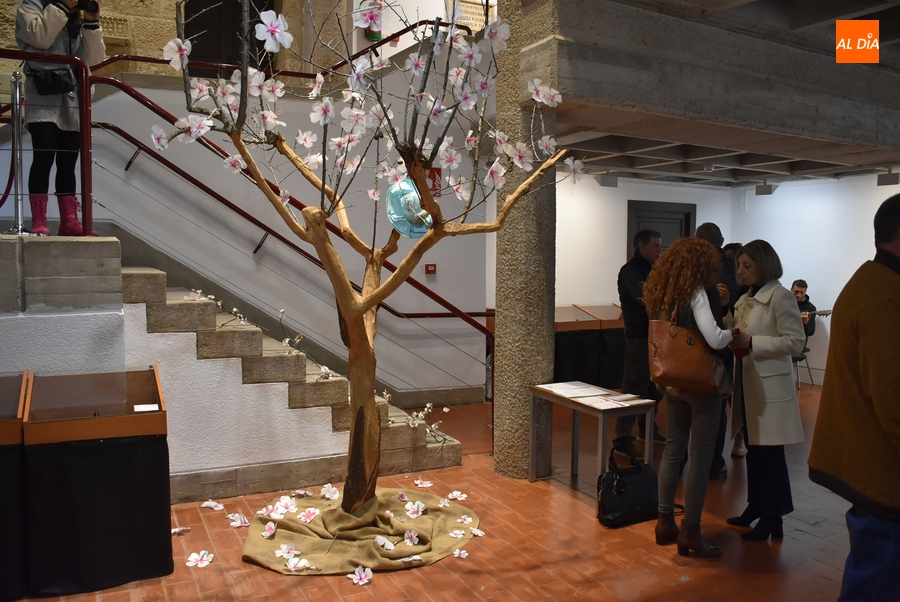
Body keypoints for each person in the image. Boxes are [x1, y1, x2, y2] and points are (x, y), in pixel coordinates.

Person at [808, 194, 900, 601]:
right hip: (885, 474)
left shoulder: (873, 282)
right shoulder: (886, 296)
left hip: (871, 463)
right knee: (879, 579)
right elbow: (894, 400)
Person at [647, 238, 734, 558]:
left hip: (672, 382)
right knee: (699, 459)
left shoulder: (661, 292)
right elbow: (714, 338)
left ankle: (664, 523)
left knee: (673, 450)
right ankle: (692, 532)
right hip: (701, 384)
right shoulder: (697, 291)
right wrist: (733, 333)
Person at [727, 240, 805, 541]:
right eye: (739, 265)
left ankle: (773, 515)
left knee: (770, 455)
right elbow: (738, 331)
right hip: (749, 386)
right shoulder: (745, 298)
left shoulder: (780, 296)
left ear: (764, 265)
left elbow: (795, 341)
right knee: (755, 451)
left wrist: (753, 343)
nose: (741, 271)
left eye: (747, 265)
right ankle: (757, 506)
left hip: (770, 387)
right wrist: (724, 310)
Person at [16, 0, 105, 236]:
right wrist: (62, 6)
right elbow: (41, 38)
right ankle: (39, 220)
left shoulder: (73, 17)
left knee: (68, 162)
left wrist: (91, 22)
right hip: (43, 96)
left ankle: (69, 221)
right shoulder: (30, 7)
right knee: (43, 157)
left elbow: (95, 58)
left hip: (73, 98)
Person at [614, 229, 665, 460]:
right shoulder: (631, 271)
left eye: (660, 245)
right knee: (633, 387)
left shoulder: (653, 270)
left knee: (655, 386)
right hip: (639, 336)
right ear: (641, 246)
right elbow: (648, 299)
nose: (659, 249)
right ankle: (623, 439)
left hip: (655, 335)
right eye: (655, 245)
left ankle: (647, 428)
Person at [695, 223, 740, 480]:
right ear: (721, 242)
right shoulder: (724, 271)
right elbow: (715, 334)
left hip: (687, 354)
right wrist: (732, 333)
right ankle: (712, 462)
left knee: (683, 421)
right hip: (715, 349)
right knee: (716, 409)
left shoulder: (684, 274)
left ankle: (685, 465)